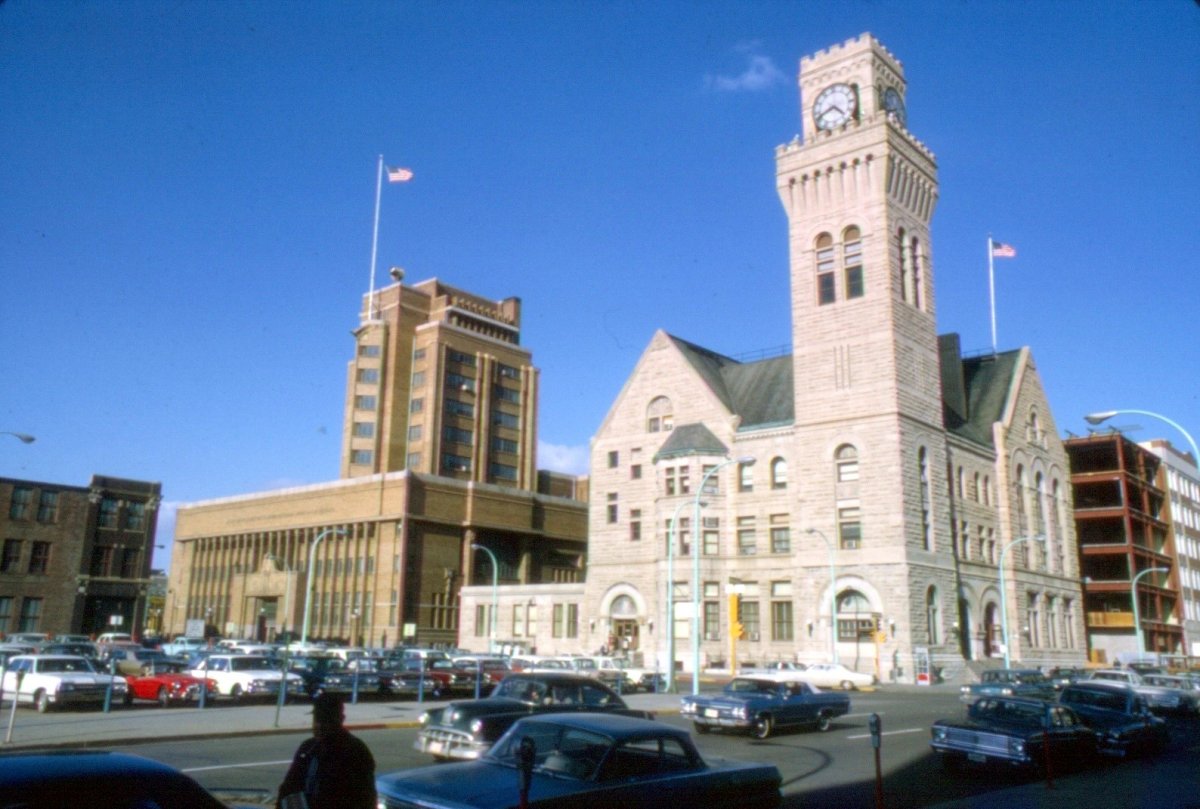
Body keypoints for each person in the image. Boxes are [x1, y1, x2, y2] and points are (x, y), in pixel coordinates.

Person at [276, 693, 376, 809]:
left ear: (341, 720)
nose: (319, 725)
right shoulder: (308, 748)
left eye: (326, 720)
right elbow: (288, 788)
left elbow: (365, 800)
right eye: (317, 719)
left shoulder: (356, 752)